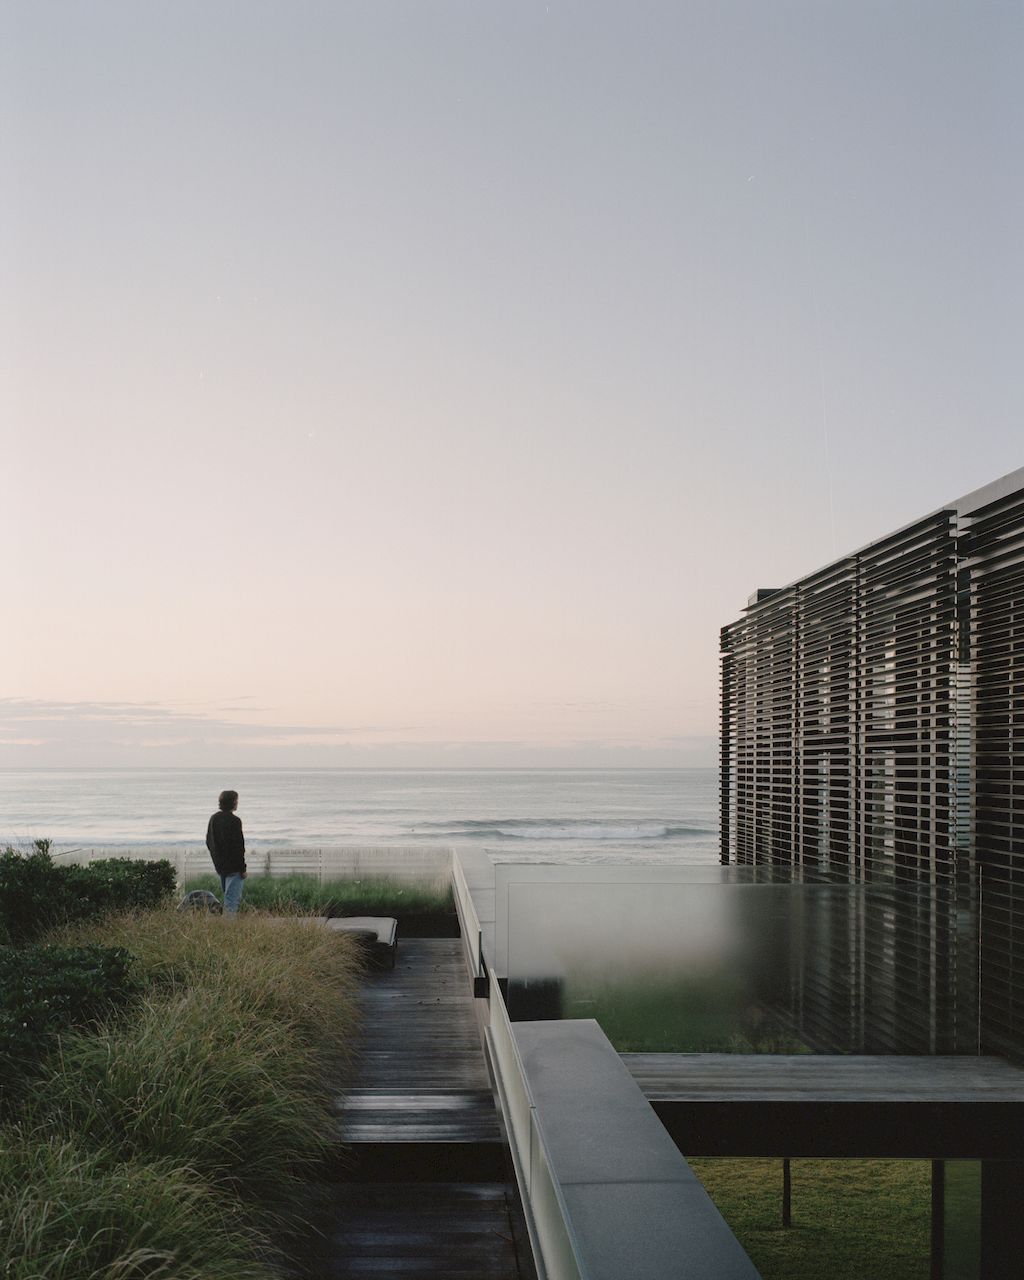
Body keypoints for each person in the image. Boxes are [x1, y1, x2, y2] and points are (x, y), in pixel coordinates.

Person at [205, 789, 247, 915]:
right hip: (234, 868)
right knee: (231, 901)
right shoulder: (235, 821)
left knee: (227, 898)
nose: (237, 803)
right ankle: (228, 930)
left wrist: (216, 858)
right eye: (236, 800)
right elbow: (238, 847)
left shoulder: (214, 818)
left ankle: (225, 928)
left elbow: (209, 841)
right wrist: (242, 868)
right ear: (233, 802)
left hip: (220, 866)